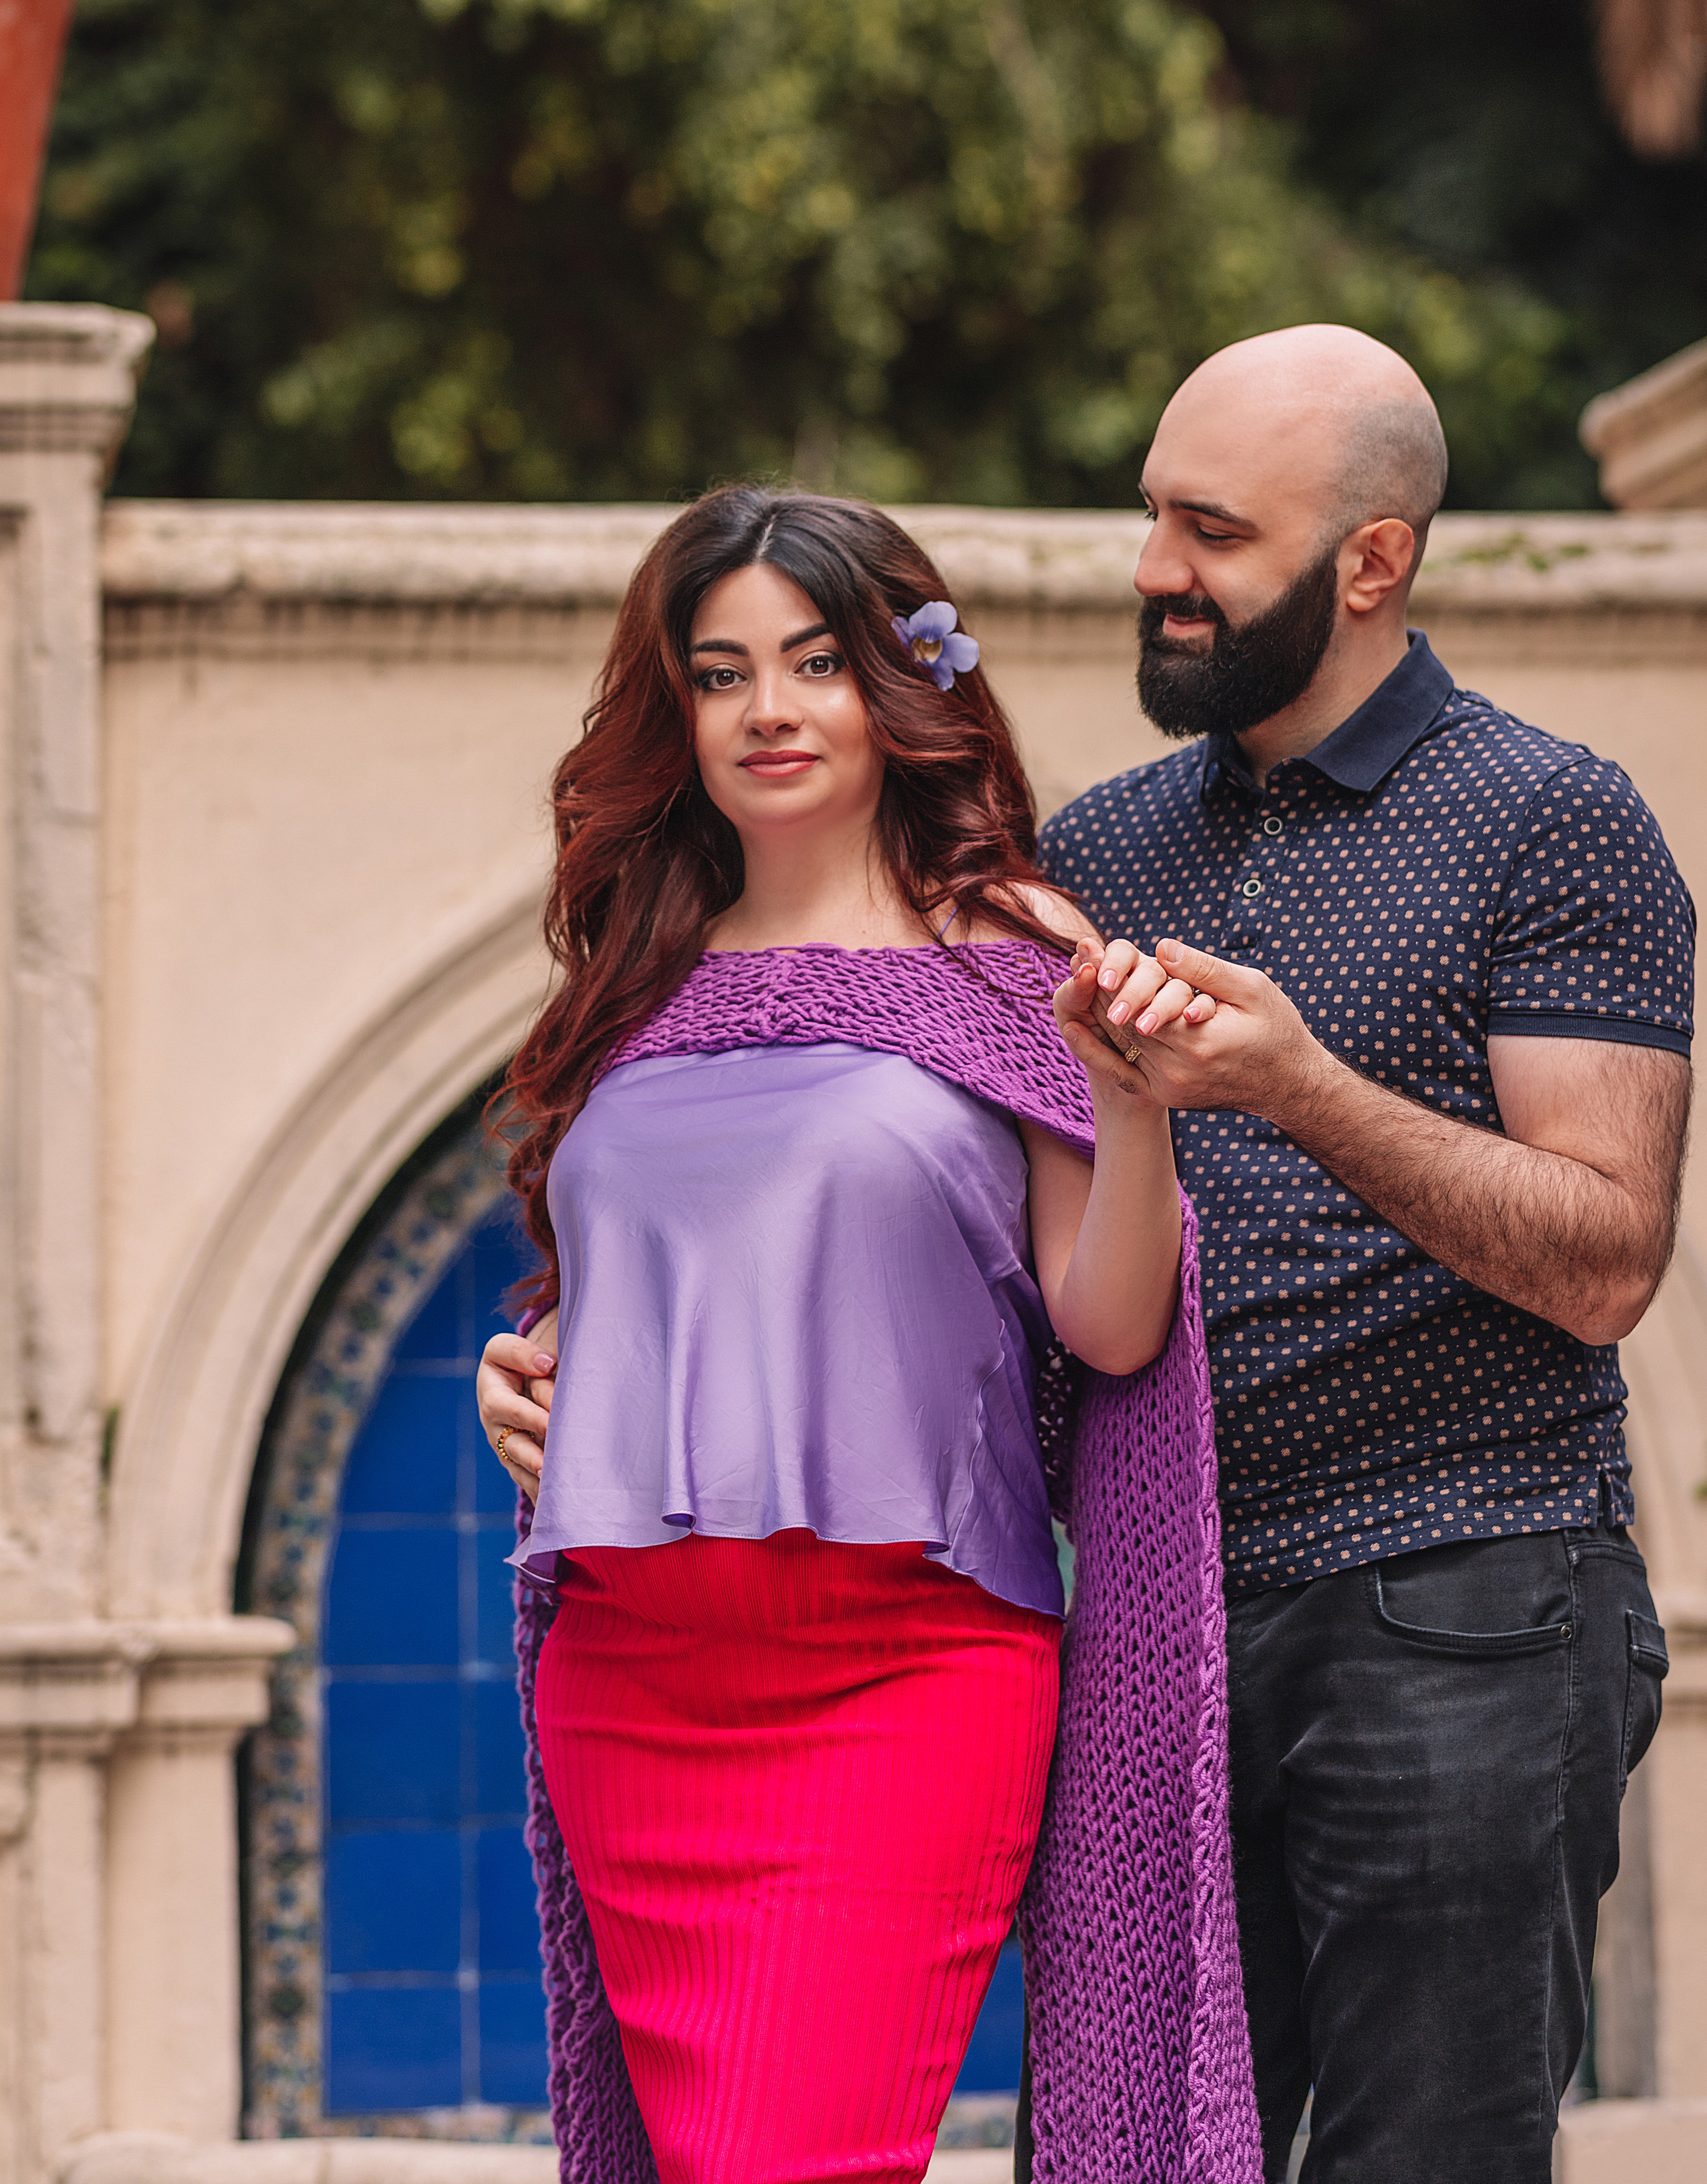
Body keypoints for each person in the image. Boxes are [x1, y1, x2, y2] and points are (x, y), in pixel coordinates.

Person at [475, 487, 1262, 2184]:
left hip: (904, 1683)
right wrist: (531, 1374)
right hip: (629, 1685)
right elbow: (642, 1284)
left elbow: (1113, 1330)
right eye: (720, 671)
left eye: (815, 662)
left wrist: (1133, 1117)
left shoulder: (1008, 951)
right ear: (671, 711)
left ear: (896, 687)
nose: (769, 708)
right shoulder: (636, 979)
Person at [1034, 324, 1693, 2184]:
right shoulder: (1102, 846)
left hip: (1461, 1617)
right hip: (1155, 1625)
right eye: (1153, 514)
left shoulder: (1551, 819)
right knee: (1118, 2158)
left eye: (1213, 531)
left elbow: (1605, 1257)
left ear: (1373, 562)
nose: (1157, 567)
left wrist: (1301, 1084)